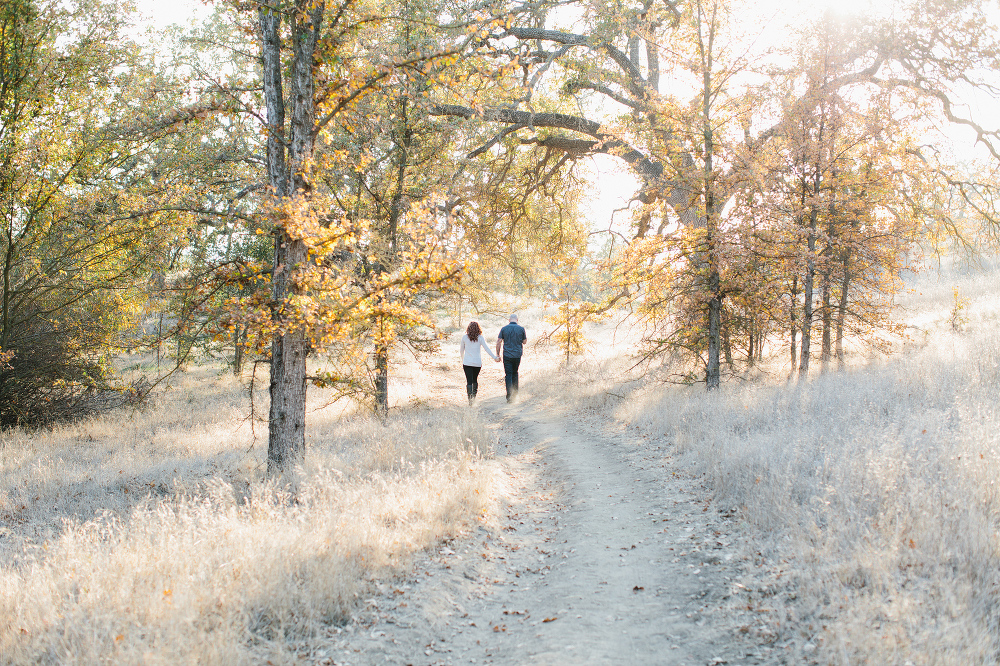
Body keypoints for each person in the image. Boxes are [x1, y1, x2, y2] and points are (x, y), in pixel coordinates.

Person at [460, 321, 498, 404]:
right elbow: (487, 349)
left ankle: (470, 400)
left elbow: (461, 351)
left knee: (469, 381)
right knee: (475, 380)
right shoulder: (480, 338)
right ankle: (473, 397)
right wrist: (494, 357)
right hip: (477, 363)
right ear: (478, 328)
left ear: (468, 328)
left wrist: (463, 360)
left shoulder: (464, 338)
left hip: (467, 363)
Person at [496, 313, 527, 404]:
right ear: (517, 320)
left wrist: (497, 354)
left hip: (507, 355)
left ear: (509, 320)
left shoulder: (504, 329)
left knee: (508, 374)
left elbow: (499, 342)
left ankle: (509, 396)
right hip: (517, 355)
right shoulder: (521, 329)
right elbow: (524, 342)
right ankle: (515, 395)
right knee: (515, 373)